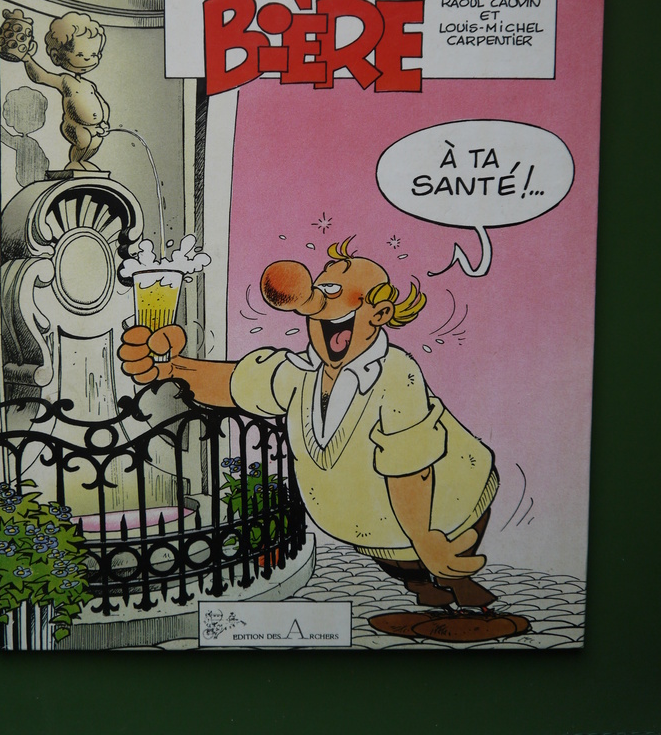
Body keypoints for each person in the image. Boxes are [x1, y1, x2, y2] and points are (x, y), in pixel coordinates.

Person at [119, 237, 528, 640]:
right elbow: (232, 383)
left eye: (335, 288)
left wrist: (424, 537)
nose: (317, 298)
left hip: (449, 509)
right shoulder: (299, 375)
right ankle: (426, 592)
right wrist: (171, 368)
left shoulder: (396, 374)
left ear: (379, 313)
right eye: (320, 287)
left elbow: (410, 466)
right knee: (409, 570)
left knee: (449, 557)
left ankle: (466, 598)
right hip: (375, 532)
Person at [17, 11, 110, 171]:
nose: (88, 59)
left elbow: (102, 103)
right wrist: (27, 60)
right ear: (57, 56)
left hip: (95, 126)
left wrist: (104, 121)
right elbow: (41, 77)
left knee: (95, 142)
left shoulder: (89, 84)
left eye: (94, 54)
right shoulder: (65, 80)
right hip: (74, 126)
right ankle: (74, 163)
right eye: (80, 54)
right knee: (84, 140)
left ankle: (82, 162)